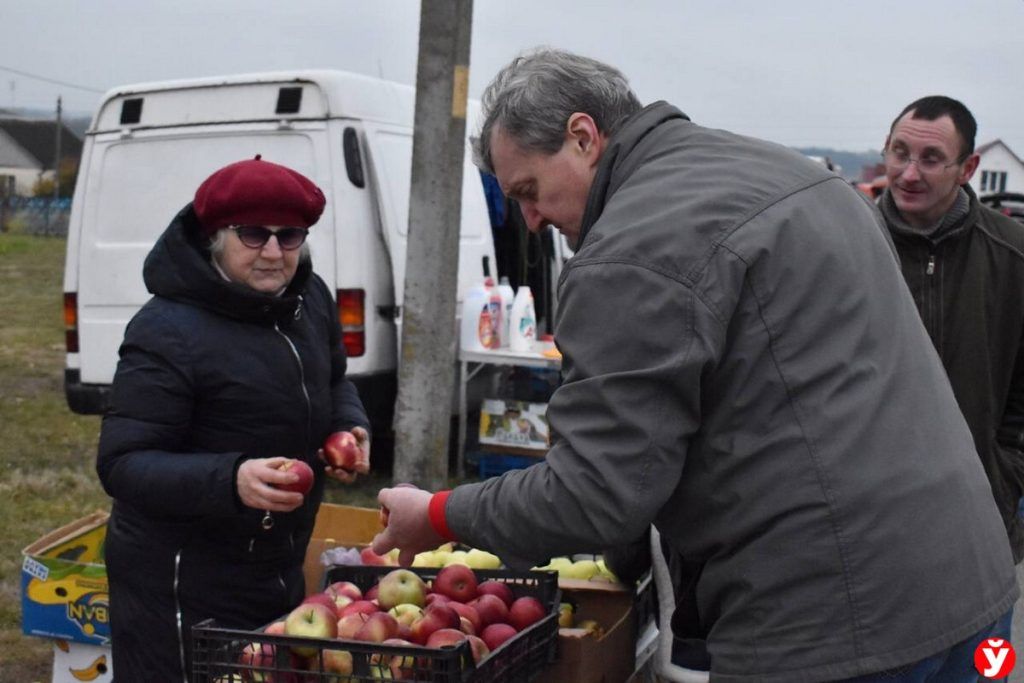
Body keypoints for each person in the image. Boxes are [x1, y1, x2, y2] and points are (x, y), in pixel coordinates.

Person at [372, 49, 1018, 682]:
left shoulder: (629, 248)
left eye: (529, 191)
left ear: (583, 136)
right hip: (974, 595)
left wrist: (436, 513)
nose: (531, 221)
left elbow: (593, 494)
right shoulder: (796, 175)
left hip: (830, 628)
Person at [96, 156, 371, 681]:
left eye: (289, 236)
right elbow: (123, 463)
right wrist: (231, 478)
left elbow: (335, 378)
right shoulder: (166, 330)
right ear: (214, 238)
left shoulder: (309, 299)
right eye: (253, 235)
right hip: (181, 583)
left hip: (276, 563)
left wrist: (350, 424)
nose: (273, 252)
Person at [878, 96, 1024, 623]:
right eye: (899, 152)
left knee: (984, 665)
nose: (909, 173)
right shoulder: (847, 248)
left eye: (931, 159)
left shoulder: (1014, 256)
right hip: (872, 536)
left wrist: (1006, 475)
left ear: (969, 169)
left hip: (981, 529)